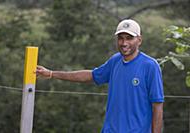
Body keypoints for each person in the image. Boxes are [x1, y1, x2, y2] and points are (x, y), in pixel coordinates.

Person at [36, 19, 164, 133]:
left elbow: (157, 106)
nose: (124, 43)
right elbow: (90, 75)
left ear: (139, 40)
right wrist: (52, 73)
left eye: (129, 38)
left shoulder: (150, 66)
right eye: (121, 38)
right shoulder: (115, 61)